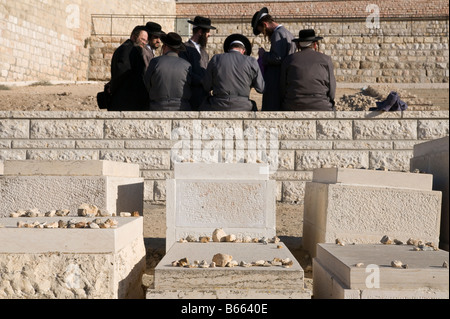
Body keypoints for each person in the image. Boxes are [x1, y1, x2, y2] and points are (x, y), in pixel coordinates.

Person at [201, 34, 265, 111]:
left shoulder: (216, 58)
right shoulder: (251, 61)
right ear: (243, 51)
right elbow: (261, 88)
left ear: (229, 49)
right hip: (243, 106)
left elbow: (206, 86)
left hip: (217, 105)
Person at [251, 7, 296, 111]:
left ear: (265, 25)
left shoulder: (277, 34)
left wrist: (263, 54)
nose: (264, 34)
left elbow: (277, 58)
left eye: (263, 31)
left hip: (276, 81)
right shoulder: (287, 33)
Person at [280, 29, 336, 111]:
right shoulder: (326, 59)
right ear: (315, 45)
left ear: (298, 45)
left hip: (293, 104)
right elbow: (332, 90)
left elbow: (282, 88)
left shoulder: (289, 60)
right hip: (321, 105)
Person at [144, 32, 192, 111]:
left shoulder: (155, 62)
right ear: (178, 50)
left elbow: (147, 84)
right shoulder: (187, 65)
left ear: (164, 46)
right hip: (182, 108)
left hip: (158, 107)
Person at [108, 25, 149, 111]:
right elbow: (121, 73)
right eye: (142, 39)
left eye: (146, 41)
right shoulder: (129, 50)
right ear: (134, 37)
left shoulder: (128, 49)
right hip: (126, 101)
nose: (144, 43)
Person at [179, 16, 216, 110]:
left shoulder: (204, 52)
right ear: (200, 32)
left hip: (204, 99)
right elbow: (185, 72)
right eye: (207, 31)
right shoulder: (184, 49)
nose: (209, 34)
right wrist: (202, 81)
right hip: (191, 98)